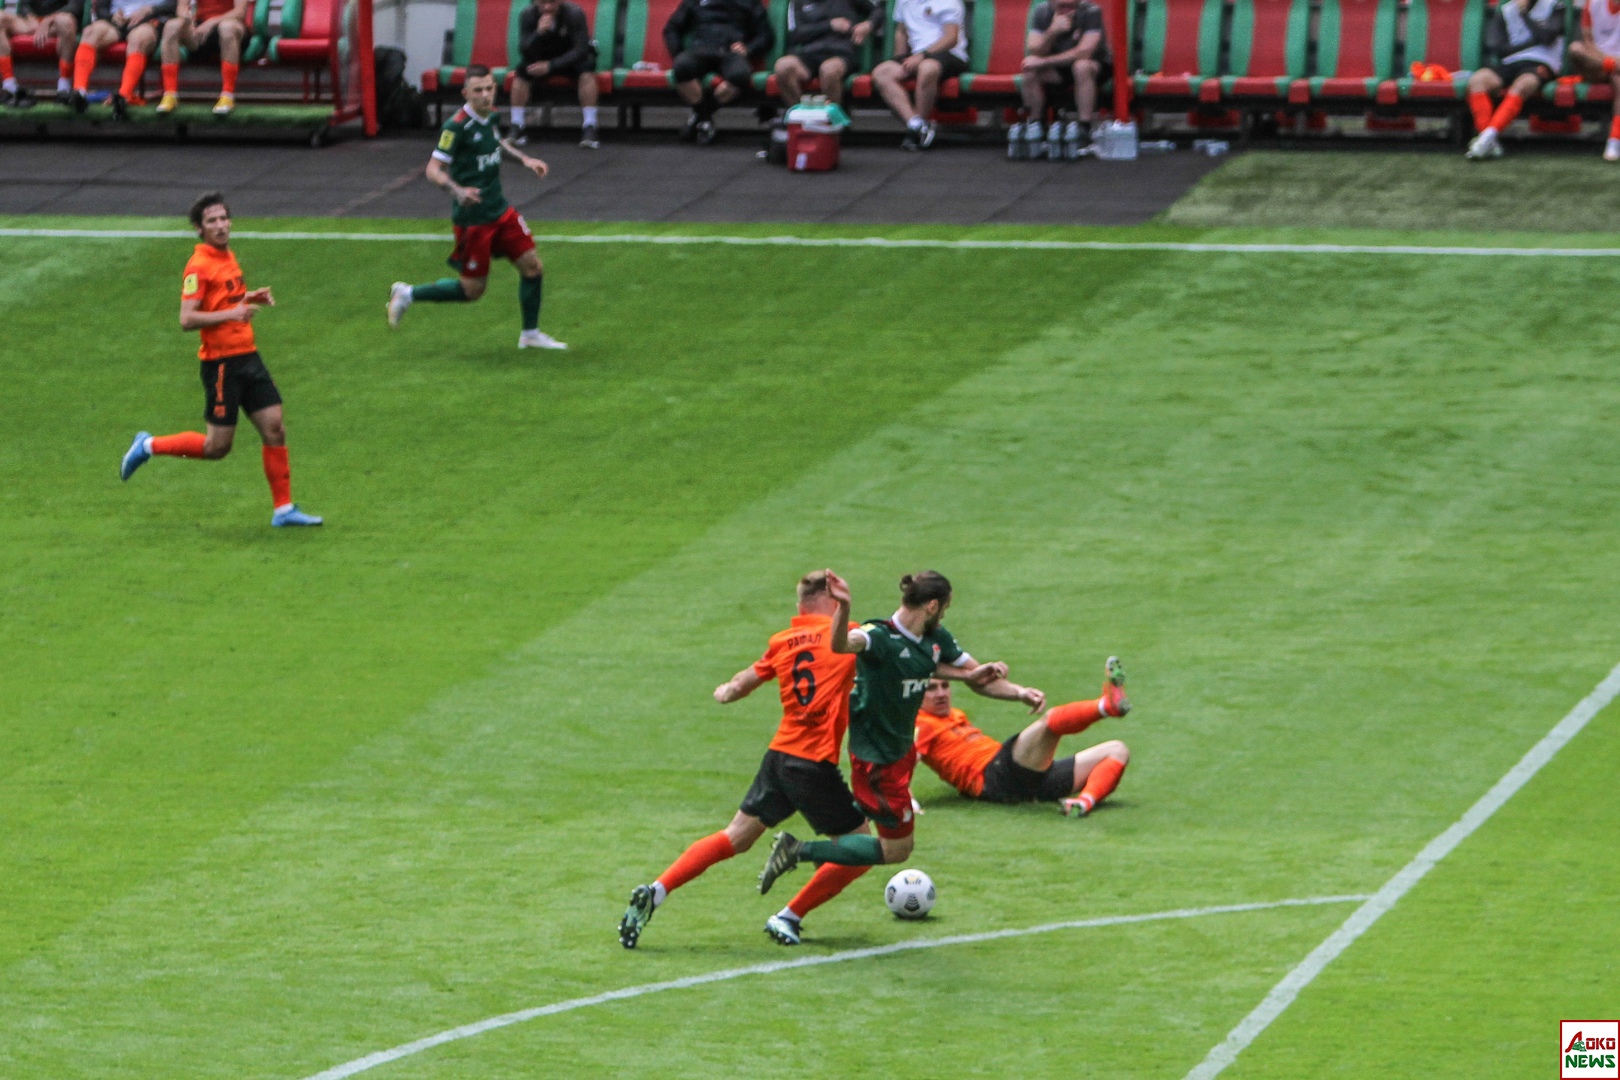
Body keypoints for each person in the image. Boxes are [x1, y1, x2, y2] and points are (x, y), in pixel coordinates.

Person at [756, 570, 1042, 940]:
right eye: (946, 608)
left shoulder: (934, 639)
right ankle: (799, 851)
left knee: (866, 849)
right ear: (933, 605)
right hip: (876, 764)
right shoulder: (879, 636)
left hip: (900, 755)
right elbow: (842, 644)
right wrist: (843, 606)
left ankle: (788, 915)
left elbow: (978, 677)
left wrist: (1018, 692)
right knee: (896, 851)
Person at [618, 570, 875, 949]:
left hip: (779, 757)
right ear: (832, 602)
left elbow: (742, 684)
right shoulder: (846, 633)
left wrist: (724, 692)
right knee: (862, 848)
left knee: (735, 837)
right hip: (812, 764)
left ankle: (656, 890)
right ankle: (788, 916)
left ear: (801, 606)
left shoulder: (783, 641)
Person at [119, 192, 323, 528]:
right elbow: (187, 319)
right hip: (222, 366)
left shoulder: (227, 256)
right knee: (217, 447)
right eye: (212, 221)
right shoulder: (197, 266)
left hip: (249, 357)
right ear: (199, 229)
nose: (220, 225)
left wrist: (248, 298)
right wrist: (234, 312)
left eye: (224, 218)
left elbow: (224, 301)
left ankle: (283, 510)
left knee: (275, 428)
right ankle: (149, 445)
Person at [386, 66, 567, 351]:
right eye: (478, 90)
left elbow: (495, 144)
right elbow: (433, 169)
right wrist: (457, 191)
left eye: (489, 88)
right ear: (465, 93)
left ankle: (530, 334)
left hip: (500, 211)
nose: (485, 95)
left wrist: (525, 160)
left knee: (532, 267)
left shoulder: (490, 116)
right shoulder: (456, 127)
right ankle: (408, 293)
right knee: (472, 290)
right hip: (474, 220)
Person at [913, 665, 1130, 816]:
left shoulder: (955, 714)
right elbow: (905, 762)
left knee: (1117, 750)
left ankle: (1082, 803)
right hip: (994, 775)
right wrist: (908, 803)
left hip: (1021, 779)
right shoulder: (919, 723)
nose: (941, 693)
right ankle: (1105, 707)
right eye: (931, 688)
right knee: (1049, 723)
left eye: (945, 686)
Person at [1465, 0, 1567, 159]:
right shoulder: (1506, 10)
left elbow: (1547, 37)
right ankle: (1488, 139)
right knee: (1478, 81)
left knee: (1523, 84)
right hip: (1511, 62)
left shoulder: (1555, 5)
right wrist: (1532, 42)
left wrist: (1524, 14)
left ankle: (1486, 138)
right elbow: (1499, 49)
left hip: (1541, 61)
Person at [662, 0, 772, 144]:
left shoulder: (750, 2)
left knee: (740, 76)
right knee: (681, 66)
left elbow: (766, 35)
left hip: (731, 53)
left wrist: (749, 49)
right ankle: (705, 120)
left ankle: (700, 116)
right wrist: (678, 53)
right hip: (701, 50)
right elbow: (672, 28)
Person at [870, 0, 968, 149]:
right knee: (881, 73)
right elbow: (901, 32)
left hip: (950, 54)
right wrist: (900, 61)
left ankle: (918, 130)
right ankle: (917, 126)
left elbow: (951, 38)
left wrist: (923, 55)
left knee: (927, 68)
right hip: (916, 56)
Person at [1016, 0, 1109, 154]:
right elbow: (1034, 49)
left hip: (1095, 64)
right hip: (1059, 69)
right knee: (1029, 70)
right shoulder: (1042, 11)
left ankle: (1084, 126)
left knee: (1081, 66)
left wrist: (1043, 61)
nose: (1067, 8)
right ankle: (1036, 125)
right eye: (1062, 5)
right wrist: (1052, 31)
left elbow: (1085, 51)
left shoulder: (1091, 11)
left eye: (1070, 5)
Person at [508, 0, 602, 150]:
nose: (547, 7)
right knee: (522, 71)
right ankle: (517, 125)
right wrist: (538, 33)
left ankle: (590, 126)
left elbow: (581, 50)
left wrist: (551, 66)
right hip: (541, 60)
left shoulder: (574, 14)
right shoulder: (527, 15)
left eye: (552, 2)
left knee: (587, 71)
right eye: (543, 3)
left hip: (570, 60)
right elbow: (524, 50)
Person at [67, 0, 174, 117]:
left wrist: (150, 10)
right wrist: (112, 16)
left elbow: (176, 4)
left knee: (139, 39)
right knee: (90, 33)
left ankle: (124, 96)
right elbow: (100, 6)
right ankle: (80, 92)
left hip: (151, 19)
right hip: (117, 20)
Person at [773, 0, 880, 109]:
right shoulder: (798, 2)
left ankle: (832, 120)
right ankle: (800, 116)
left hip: (840, 52)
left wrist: (868, 24)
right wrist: (829, 25)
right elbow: (796, 34)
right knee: (783, 66)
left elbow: (879, 11)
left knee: (828, 70)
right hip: (809, 52)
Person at [155, 0, 248, 116]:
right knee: (171, 26)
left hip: (231, 26)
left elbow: (239, 12)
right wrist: (189, 20)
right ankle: (170, 94)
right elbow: (181, 8)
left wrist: (211, 22)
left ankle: (227, 95)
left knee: (227, 28)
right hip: (200, 28)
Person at [0, 0, 80, 106]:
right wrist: (30, 16)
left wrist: (49, 19)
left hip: (58, 22)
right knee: (0, 18)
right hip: (31, 22)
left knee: (66, 21)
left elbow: (75, 7)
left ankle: (64, 88)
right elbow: (24, 4)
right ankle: (9, 87)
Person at [1569, 0, 1620, 160]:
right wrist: (1610, 62)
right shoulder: (1593, 3)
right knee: (1575, 49)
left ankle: (1614, 140)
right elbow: (1587, 41)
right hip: (1596, 63)